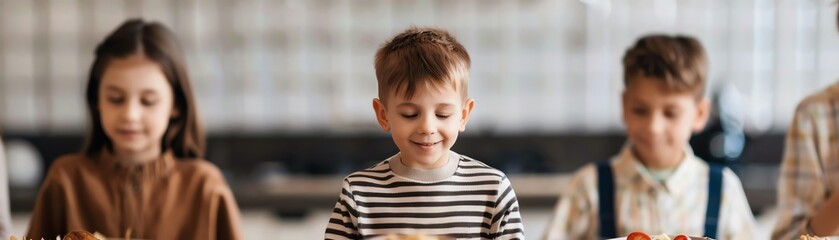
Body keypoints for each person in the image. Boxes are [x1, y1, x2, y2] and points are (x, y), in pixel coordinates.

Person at [26, 19, 241, 240]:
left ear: (175, 105)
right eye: (116, 99)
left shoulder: (205, 187)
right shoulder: (65, 181)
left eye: (148, 101)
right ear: (97, 100)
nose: (130, 114)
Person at [542, 35, 756, 240]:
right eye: (640, 110)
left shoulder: (725, 190)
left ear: (699, 114)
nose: (653, 127)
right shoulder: (588, 188)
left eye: (670, 113)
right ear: (624, 106)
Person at [324, 27, 525, 239]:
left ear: (463, 115)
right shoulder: (359, 192)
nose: (427, 127)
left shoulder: (492, 189)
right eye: (410, 114)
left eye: (443, 114)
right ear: (383, 115)